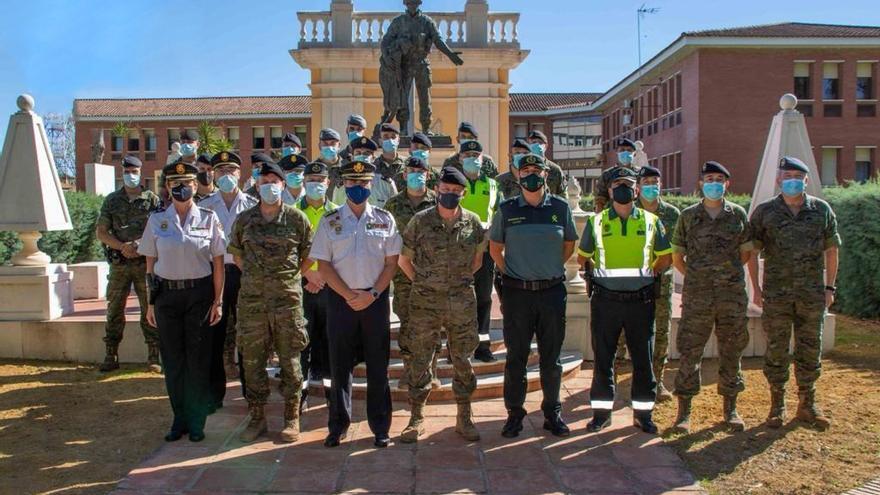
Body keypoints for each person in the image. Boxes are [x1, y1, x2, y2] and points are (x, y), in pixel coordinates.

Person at [310, 158, 402, 448]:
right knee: (339, 367)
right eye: (352, 182)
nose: (358, 187)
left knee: (378, 366)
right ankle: (337, 425)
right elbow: (323, 264)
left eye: (363, 183)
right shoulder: (330, 220)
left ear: (371, 184)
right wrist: (349, 295)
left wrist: (372, 294)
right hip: (340, 301)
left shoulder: (385, 219)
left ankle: (380, 427)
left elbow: (392, 263)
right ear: (344, 185)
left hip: (374, 301)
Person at [577, 166, 672, 434]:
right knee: (604, 359)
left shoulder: (651, 221)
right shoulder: (597, 222)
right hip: (606, 301)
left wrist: (648, 272)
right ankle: (601, 414)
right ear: (609, 191)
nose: (622, 188)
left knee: (643, 360)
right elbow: (583, 257)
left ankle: (643, 415)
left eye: (628, 184)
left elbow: (665, 257)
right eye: (617, 184)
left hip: (641, 302)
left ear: (636, 189)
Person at [489, 153, 578, 438]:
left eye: (535, 171)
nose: (530, 175)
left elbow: (569, 245)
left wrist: (549, 268)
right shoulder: (506, 209)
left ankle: (552, 413)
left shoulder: (561, 208)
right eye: (524, 170)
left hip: (552, 292)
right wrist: (512, 273)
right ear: (517, 176)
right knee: (516, 357)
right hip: (518, 295)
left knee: (551, 358)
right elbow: (494, 249)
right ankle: (514, 414)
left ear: (544, 175)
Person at [749, 156, 840, 431]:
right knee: (776, 350)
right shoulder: (765, 212)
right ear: (779, 180)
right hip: (777, 295)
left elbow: (832, 250)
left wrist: (830, 288)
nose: (792, 181)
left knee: (810, 350)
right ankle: (777, 406)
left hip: (811, 294)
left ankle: (807, 404)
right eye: (787, 176)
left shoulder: (821, 210)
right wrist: (756, 288)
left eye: (797, 177)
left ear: (806, 180)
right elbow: (752, 252)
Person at [139, 159, 226, 442]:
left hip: (199, 296)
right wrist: (151, 303)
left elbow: (218, 264)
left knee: (198, 360)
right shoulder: (157, 220)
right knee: (174, 361)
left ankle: (197, 420)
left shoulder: (209, 218)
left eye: (187, 184)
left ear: (195, 186)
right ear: (167, 187)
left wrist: (218, 301)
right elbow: (150, 264)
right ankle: (179, 419)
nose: (181, 189)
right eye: (176, 185)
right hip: (167, 297)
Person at [398, 166, 485, 443]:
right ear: (437, 191)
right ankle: (416, 417)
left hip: (461, 301)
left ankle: (464, 416)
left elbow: (478, 260)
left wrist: (459, 281)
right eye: (446, 190)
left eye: (456, 192)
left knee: (462, 358)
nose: (450, 195)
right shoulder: (420, 221)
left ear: (463, 193)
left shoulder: (473, 222)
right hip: (425, 302)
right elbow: (403, 261)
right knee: (421, 358)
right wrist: (422, 282)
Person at [228, 160, 312, 443]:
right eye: (264, 183)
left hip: (287, 302)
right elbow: (237, 254)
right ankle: (256, 417)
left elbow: (308, 254)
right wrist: (256, 277)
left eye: (274, 182)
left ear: (283, 185)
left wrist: (288, 278)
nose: (269, 187)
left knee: (290, 360)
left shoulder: (297, 219)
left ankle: (291, 416)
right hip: (252, 303)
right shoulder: (244, 219)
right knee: (252, 362)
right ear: (257, 186)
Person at [670, 161, 751, 433]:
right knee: (690, 352)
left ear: (727, 184)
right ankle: (684, 413)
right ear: (701, 184)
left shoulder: (738, 215)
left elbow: (745, 254)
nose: (714, 183)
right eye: (709, 178)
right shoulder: (688, 216)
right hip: (698, 297)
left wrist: (723, 274)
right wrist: (698, 275)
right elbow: (677, 256)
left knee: (731, 351)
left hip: (731, 296)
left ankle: (731, 409)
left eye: (719, 178)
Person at [613, 166, 680, 402]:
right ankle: (612, 377)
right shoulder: (627, 211)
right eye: (647, 182)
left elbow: (677, 249)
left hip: (661, 282)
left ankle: (656, 380)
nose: (652, 186)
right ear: (638, 187)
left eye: (656, 181)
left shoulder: (672, 214)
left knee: (660, 332)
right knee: (622, 332)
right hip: (630, 283)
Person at [197, 151, 258, 408]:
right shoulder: (204, 207)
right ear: (213, 174)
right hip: (214, 275)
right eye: (220, 171)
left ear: (239, 174)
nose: (226, 175)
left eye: (231, 170)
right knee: (214, 334)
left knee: (248, 335)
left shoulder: (253, 205)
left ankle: (251, 393)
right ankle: (213, 394)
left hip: (245, 275)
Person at [95, 155, 161, 372]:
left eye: (134, 171)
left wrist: (138, 244)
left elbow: (160, 229)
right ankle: (110, 353)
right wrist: (121, 246)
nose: (130, 175)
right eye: (127, 171)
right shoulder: (112, 200)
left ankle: (153, 356)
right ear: (122, 173)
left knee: (149, 308)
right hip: (120, 263)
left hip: (145, 263)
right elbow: (102, 232)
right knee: (114, 308)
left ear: (141, 173)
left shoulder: (152, 199)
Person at [384, 156, 439, 391]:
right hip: (403, 278)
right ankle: (409, 372)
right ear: (404, 175)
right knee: (407, 325)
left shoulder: (438, 202)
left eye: (421, 171)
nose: (417, 174)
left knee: (432, 325)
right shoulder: (392, 205)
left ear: (428, 174)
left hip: (432, 276)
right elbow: (387, 240)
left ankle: (431, 373)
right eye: (412, 171)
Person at [381, 0, 464, 133]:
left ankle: (426, 128)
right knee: (403, 97)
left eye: (414, 3)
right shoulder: (398, 22)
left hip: (422, 63)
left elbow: (438, 40)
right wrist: (386, 57)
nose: (412, 6)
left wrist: (450, 54)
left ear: (418, 4)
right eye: (409, 3)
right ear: (405, 5)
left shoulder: (427, 22)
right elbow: (386, 41)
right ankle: (403, 129)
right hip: (405, 65)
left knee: (425, 98)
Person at [296, 161, 337, 411]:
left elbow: (342, 256)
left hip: (330, 289)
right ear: (304, 183)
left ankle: (332, 398)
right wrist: (308, 276)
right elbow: (289, 256)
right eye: (311, 180)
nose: (316, 184)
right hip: (302, 289)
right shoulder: (291, 213)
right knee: (301, 345)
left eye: (320, 181)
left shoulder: (337, 213)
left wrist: (321, 276)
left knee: (331, 344)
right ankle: (299, 399)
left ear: (328, 183)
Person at [459, 140, 503, 363]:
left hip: (485, 250)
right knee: (458, 299)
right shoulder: (455, 184)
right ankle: (458, 348)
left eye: (477, 154)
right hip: (459, 250)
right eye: (468, 154)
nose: (473, 158)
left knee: (484, 298)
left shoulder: (493, 185)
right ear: (460, 159)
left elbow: (499, 216)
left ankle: (482, 347)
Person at [594, 138, 638, 212]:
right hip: (613, 216)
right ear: (617, 152)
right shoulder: (607, 174)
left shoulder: (640, 174)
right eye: (622, 150)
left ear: (635, 154)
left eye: (629, 150)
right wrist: (599, 217)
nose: (625, 152)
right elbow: (600, 199)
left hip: (636, 216)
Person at [525, 130, 565, 196]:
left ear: (546, 146)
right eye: (533, 142)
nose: (537, 145)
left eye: (540, 142)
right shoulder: (523, 168)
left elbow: (562, 196)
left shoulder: (555, 170)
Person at [373, 123, 406, 193]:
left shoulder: (408, 164)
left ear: (398, 140)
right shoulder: (373, 166)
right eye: (386, 137)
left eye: (393, 137)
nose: (390, 140)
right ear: (380, 141)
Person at [317, 128, 345, 200]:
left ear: (339, 146)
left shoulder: (346, 167)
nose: (329, 147)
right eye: (325, 144)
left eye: (333, 143)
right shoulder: (313, 169)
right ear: (320, 146)